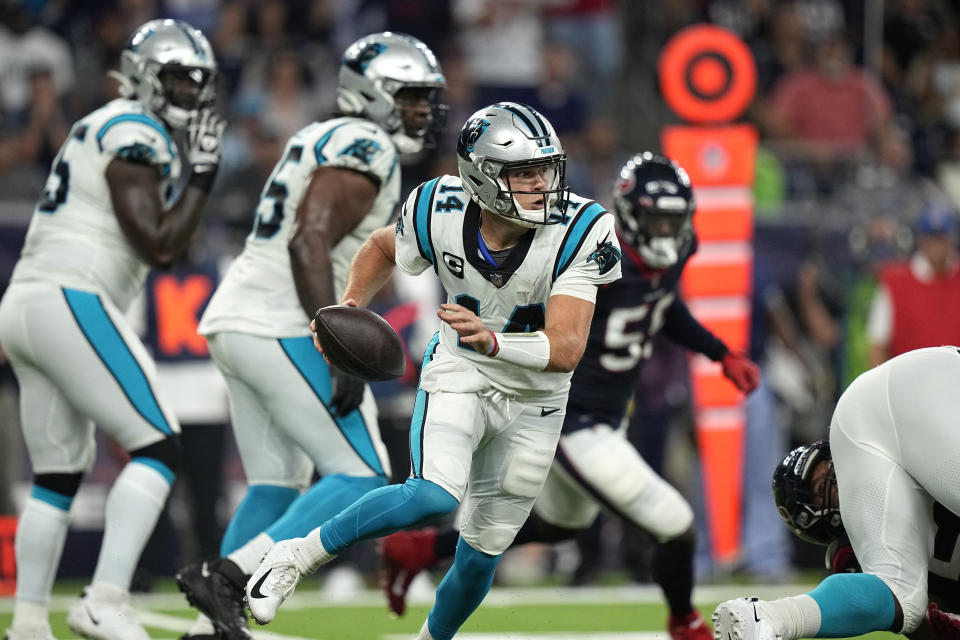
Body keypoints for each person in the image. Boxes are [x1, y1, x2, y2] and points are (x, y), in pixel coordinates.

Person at [243, 101, 623, 640]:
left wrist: (492, 338)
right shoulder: (437, 206)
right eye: (522, 172)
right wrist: (351, 306)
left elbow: (564, 348)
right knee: (434, 495)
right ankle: (295, 556)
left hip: (537, 397)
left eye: (545, 169)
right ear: (480, 177)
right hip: (461, 373)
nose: (541, 184)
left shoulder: (583, 227)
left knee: (480, 556)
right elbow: (381, 246)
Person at [378, 152, 760, 640]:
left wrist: (720, 352)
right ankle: (685, 624)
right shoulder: (593, 259)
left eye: (674, 221)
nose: (666, 233)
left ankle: (420, 549)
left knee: (561, 525)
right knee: (676, 525)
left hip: (606, 417)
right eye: (656, 221)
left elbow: (662, 305)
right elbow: (547, 335)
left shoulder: (672, 255)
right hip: (571, 418)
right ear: (629, 215)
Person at [174, 32, 446, 640]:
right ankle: (229, 574)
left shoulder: (319, 135)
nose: (420, 111)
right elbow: (308, 239)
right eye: (409, 97)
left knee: (276, 484)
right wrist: (338, 341)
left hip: (239, 320)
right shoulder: (366, 142)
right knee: (364, 473)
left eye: (426, 99)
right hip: (280, 323)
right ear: (370, 95)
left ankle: (208, 630)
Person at [0, 18, 224, 640]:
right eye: (178, 79)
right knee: (159, 447)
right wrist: (203, 176)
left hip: (28, 299)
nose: (189, 94)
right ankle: (104, 597)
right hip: (72, 295)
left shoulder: (105, 125)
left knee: (56, 476)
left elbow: (161, 243)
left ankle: (26, 624)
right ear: (146, 77)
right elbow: (157, 245)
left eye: (196, 82)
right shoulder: (135, 129)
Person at [714, 346, 960, 640]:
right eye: (822, 490)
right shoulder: (866, 540)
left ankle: (774, 618)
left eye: (830, 471)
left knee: (898, 590)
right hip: (934, 366)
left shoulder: (874, 447)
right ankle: (770, 619)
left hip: (903, 389)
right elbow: (922, 623)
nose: (839, 481)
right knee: (902, 596)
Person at [770, 443, 960, 639]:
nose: (839, 477)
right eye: (822, 486)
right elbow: (911, 613)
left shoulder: (891, 463)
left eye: (833, 467)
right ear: (808, 517)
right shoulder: (849, 553)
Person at [868, 204, 960, 368]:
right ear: (921, 240)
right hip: (911, 385)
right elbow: (878, 344)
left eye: (941, 237)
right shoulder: (896, 282)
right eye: (931, 238)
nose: (937, 245)